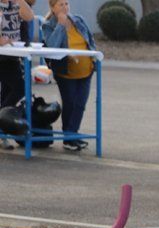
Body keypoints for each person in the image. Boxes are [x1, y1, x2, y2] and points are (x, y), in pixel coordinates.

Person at [43, 0, 94, 152]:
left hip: (86, 70)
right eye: (61, 5)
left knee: (80, 104)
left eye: (66, 3)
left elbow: (90, 39)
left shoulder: (78, 19)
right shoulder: (48, 24)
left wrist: (94, 57)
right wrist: (60, 25)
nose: (65, 7)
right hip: (66, 71)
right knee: (70, 102)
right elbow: (52, 46)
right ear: (53, 8)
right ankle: (69, 137)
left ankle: (72, 135)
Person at [0, 0, 34, 149]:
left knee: (8, 92)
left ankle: (2, 133)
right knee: (19, 88)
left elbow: (29, 17)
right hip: (2, 54)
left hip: (12, 54)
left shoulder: (15, 4)